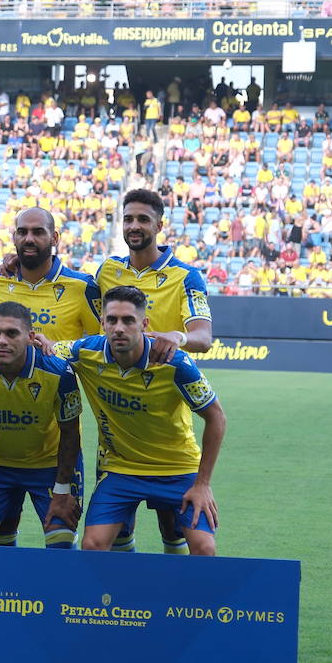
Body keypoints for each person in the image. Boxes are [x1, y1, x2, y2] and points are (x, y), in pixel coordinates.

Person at [58, 286, 226, 556]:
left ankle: (183, 599)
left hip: (178, 468)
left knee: (204, 549)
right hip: (122, 468)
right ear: (102, 323)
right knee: (92, 545)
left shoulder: (175, 364)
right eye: (111, 320)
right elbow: (40, 346)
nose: (119, 328)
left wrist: (202, 484)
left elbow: (216, 417)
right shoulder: (84, 352)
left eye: (128, 320)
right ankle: (117, 597)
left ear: (144, 324)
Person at [94, 188, 213, 554]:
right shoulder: (107, 271)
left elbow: (203, 337)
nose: (134, 226)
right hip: (117, 420)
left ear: (159, 225)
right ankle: (124, 605)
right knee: (117, 532)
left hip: (165, 408)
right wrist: (15, 265)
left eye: (143, 219)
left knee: (172, 525)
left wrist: (177, 336)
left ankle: (173, 605)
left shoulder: (185, 276)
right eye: (128, 218)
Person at [0, 207, 99, 545]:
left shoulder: (81, 287)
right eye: (22, 232)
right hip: (1, 434)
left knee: (61, 539)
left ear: (55, 238)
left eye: (37, 232)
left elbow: (99, 345)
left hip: (57, 438)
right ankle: (4, 599)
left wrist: (56, 348)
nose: (29, 238)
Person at [0, 302, 82, 548]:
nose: (1, 340)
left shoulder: (58, 371)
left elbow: (70, 431)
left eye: (12, 333)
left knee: (61, 542)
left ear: (30, 337)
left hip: (49, 465)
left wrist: (62, 490)